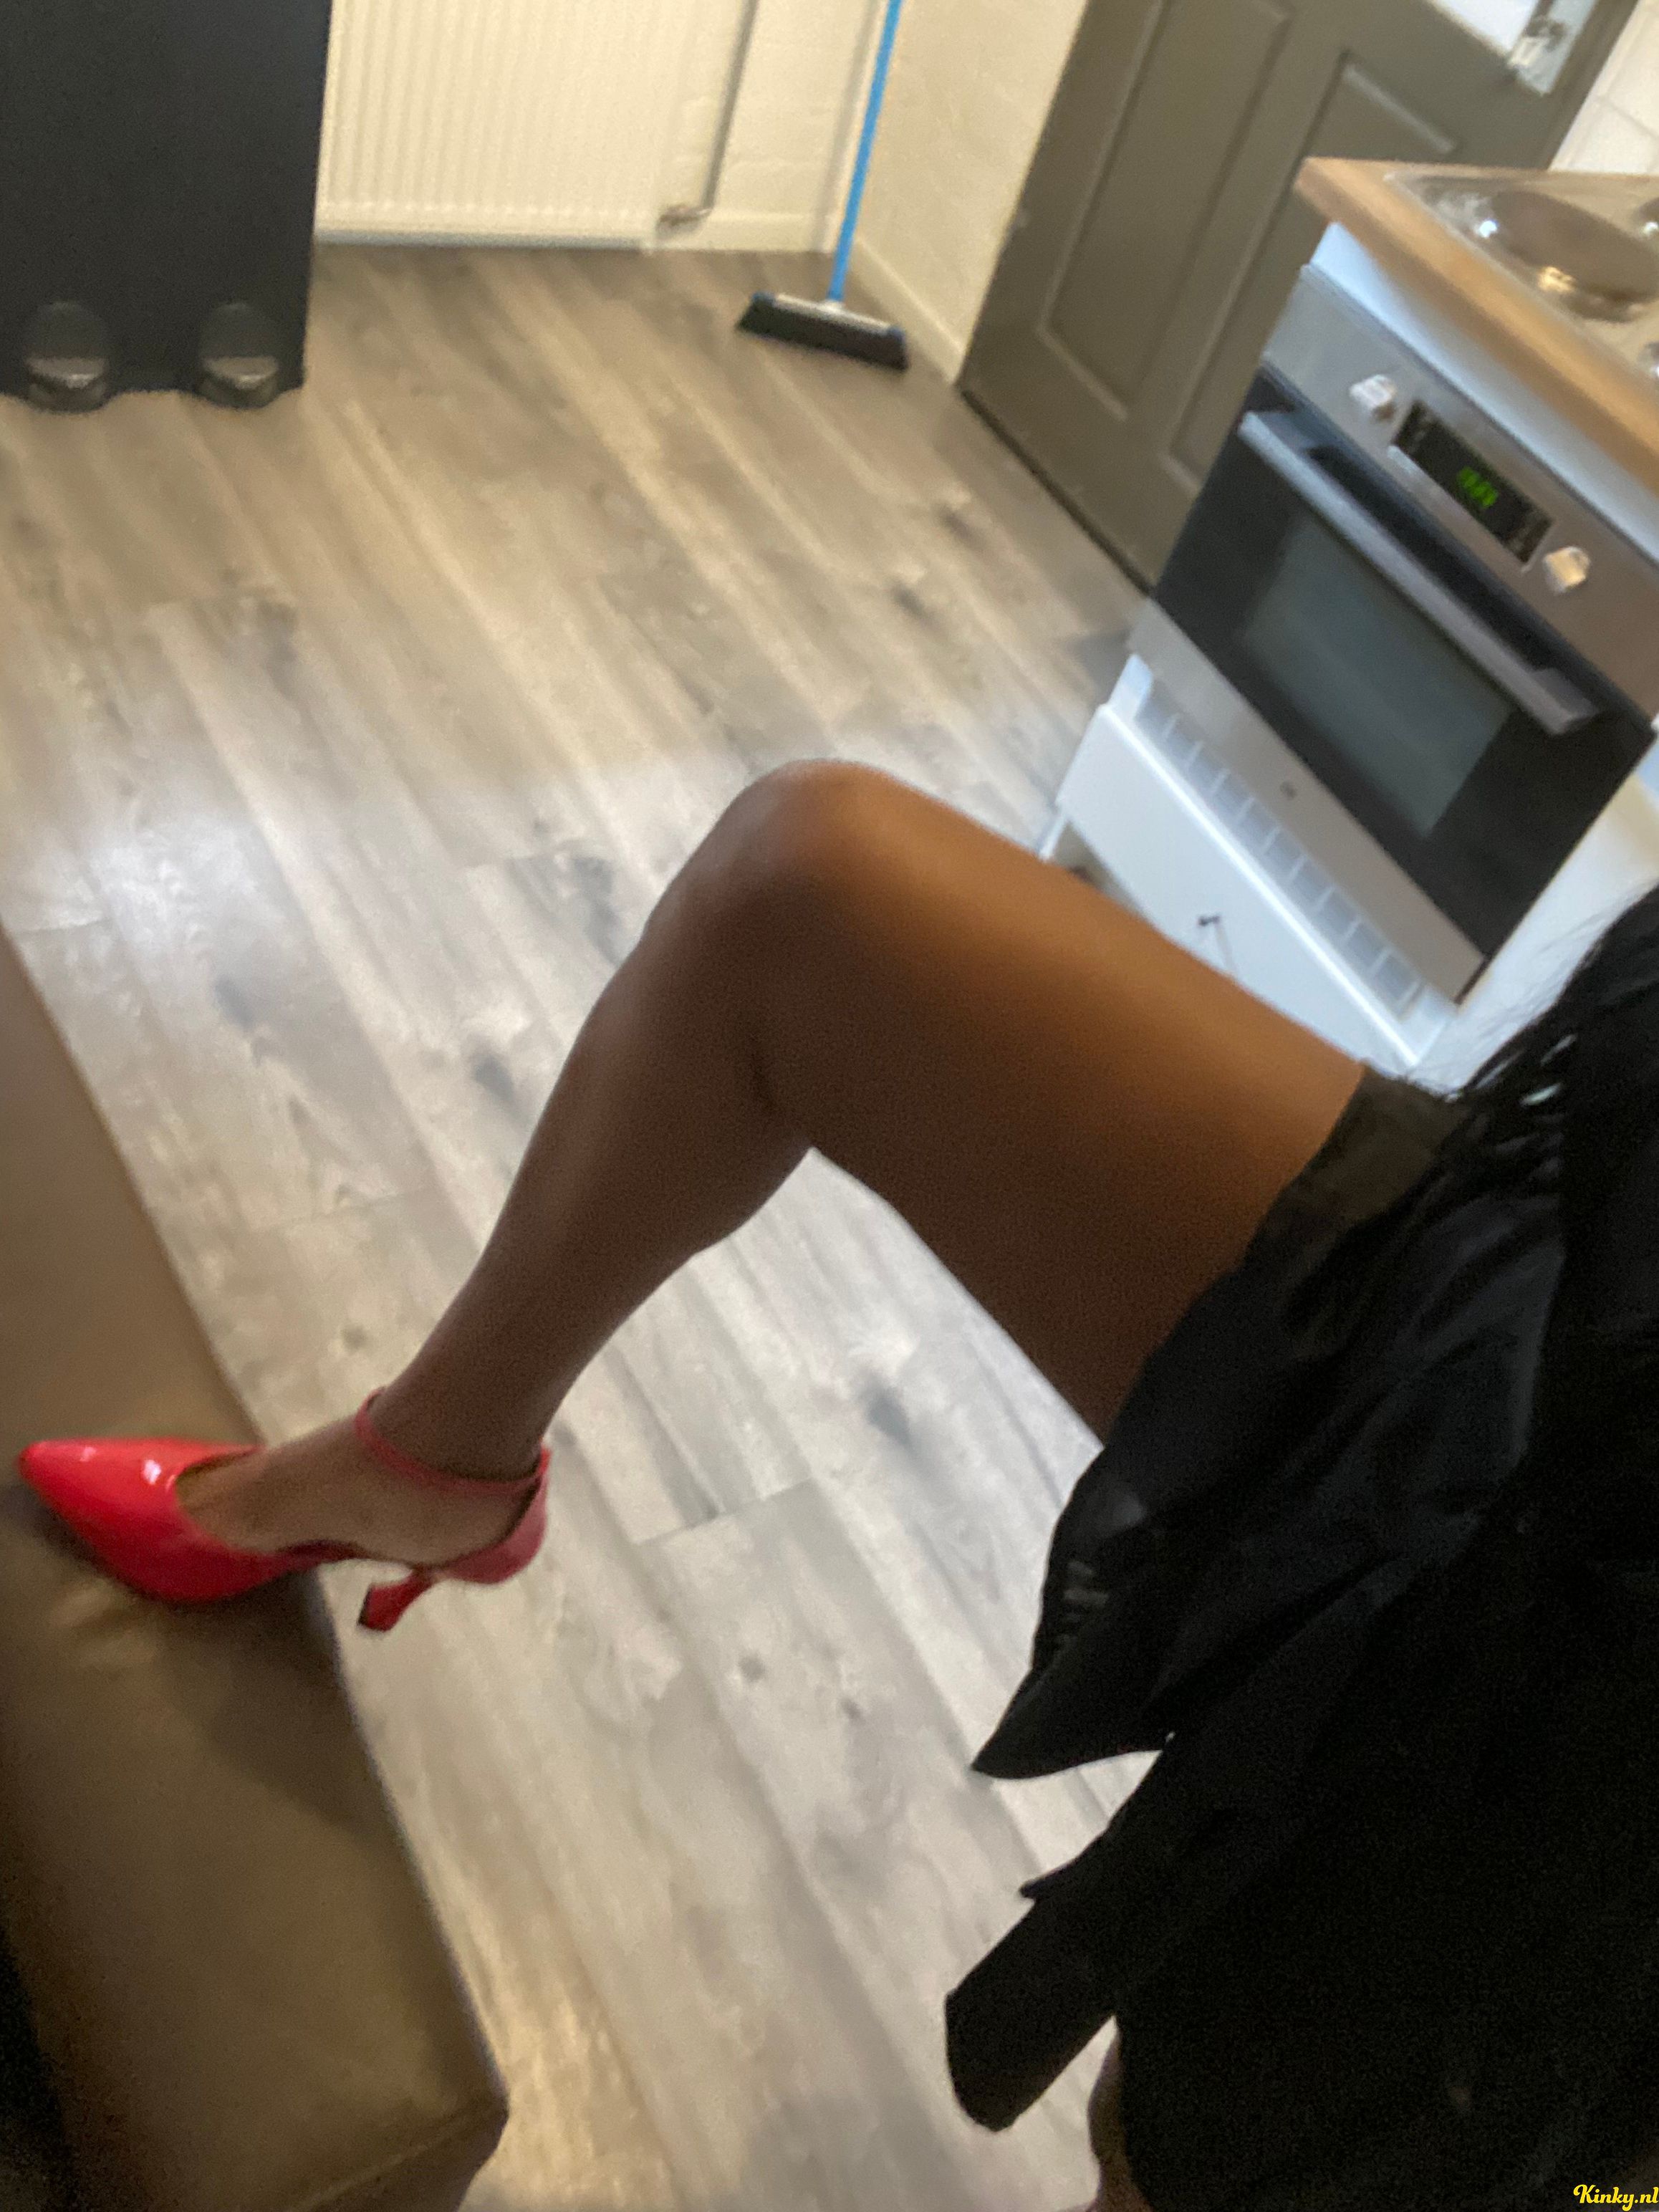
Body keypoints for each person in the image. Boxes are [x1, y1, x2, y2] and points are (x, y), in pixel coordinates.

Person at [20, 761, 1659, 2210]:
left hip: (1607, 1745)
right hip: (1563, 1278)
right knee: (803, 889)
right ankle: (429, 1462)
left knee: (1217, 2132)